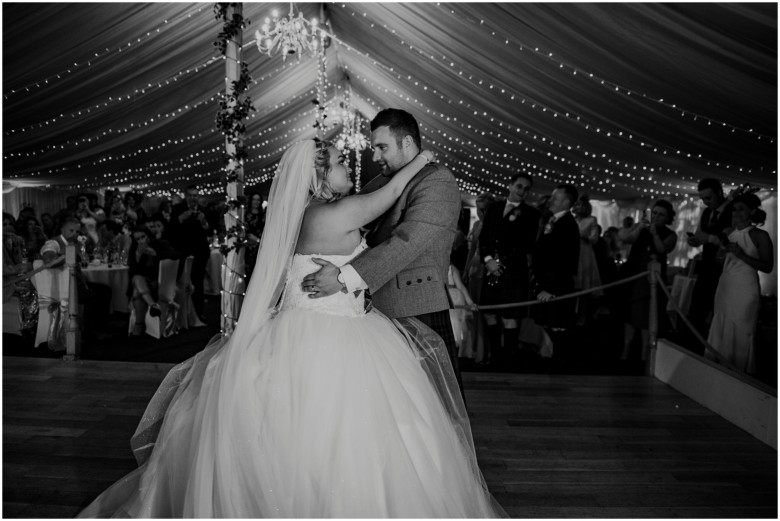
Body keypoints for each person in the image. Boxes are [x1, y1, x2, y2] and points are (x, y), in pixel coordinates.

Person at [77, 140, 503, 518]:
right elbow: (390, 193)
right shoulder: (339, 211)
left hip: (298, 329)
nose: (347, 170)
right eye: (338, 162)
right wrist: (421, 159)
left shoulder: (301, 215)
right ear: (319, 177)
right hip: (338, 334)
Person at [302, 108, 465, 395]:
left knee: (436, 403)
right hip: (371, 315)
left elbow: (408, 242)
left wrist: (342, 277)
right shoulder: (379, 183)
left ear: (407, 143)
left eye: (382, 147)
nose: (375, 156)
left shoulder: (437, 180)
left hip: (416, 307)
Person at [479, 173, 541, 369]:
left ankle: (509, 361)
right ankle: (495, 357)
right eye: (519, 186)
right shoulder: (494, 208)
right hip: (490, 269)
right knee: (489, 314)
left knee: (510, 317)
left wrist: (500, 263)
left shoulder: (531, 214)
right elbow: (484, 238)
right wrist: (488, 260)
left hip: (513, 272)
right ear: (510, 185)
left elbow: (526, 244)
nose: (522, 191)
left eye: (526, 189)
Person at [706, 193, 773, 373]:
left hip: (745, 287)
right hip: (726, 285)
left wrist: (741, 254)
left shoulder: (760, 235)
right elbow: (720, 262)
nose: (736, 213)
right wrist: (720, 255)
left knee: (741, 327)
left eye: (741, 209)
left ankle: (738, 371)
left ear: (752, 211)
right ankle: (717, 367)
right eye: (734, 209)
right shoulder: (728, 232)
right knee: (722, 323)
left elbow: (768, 267)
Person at [619, 200, 678, 362]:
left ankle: (645, 354)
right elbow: (626, 238)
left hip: (651, 277)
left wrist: (655, 234)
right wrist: (639, 226)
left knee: (646, 315)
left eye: (661, 215)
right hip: (633, 272)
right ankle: (625, 350)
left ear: (668, 218)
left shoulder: (670, 234)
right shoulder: (641, 227)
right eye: (655, 213)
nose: (657, 217)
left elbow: (662, 249)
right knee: (628, 315)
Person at [530, 184, 580, 366]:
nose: (551, 200)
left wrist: (551, 289)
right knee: (550, 324)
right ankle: (554, 359)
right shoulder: (555, 221)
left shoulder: (568, 225)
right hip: (546, 281)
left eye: (555, 198)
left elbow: (565, 260)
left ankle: (560, 364)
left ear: (566, 202)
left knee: (558, 326)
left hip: (556, 285)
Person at [685, 178, 733, 348]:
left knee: (719, 312)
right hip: (706, 267)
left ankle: (717, 349)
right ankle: (694, 348)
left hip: (725, 269)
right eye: (703, 198)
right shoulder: (706, 213)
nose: (706, 202)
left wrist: (710, 238)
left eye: (709, 197)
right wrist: (695, 241)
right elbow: (701, 235)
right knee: (696, 309)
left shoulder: (733, 210)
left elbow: (733, 239)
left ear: (720, 193)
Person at [127, 226, 180, 336]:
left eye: (143, 237)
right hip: (142, 283)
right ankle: (153, 306)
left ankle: (138, 325)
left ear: (148, 235)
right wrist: (138, 256)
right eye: (137, 239)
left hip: (159, 284)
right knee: (137, 279)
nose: (141, 240)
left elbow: (175, 255)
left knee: (137, 292)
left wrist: (156, 254)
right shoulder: (134, 249)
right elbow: (132, 272)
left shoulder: (160, 244)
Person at [169, 185, 211, 321]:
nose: (193, 198)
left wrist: (203, 221)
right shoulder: (177, 210)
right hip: (183, 251)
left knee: (198, 283)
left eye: (195, 195)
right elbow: (170, 230)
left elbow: (210, 231)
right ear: (186, 196)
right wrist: (181, 218)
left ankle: (198, 313)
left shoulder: (204, 210)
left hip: (200, 252)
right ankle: (181, 315)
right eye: (191, 195)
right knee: (182, 282)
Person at [571, 195, 603, 324]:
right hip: (572, 253)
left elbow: (594, 239)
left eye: (581, 205)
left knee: (584, 287)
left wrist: (583, 237)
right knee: (573, 285)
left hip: (585, 254)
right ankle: (571, 313)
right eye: (577, 205)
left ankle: (582, 314)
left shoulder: (591, 220)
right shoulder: (571, 219)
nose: (579, 207)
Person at [244, 191, 265, 281]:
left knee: (258, 274)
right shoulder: (245, 215)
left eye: (258, 200)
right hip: (248, 248)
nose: (256, 202)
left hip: (261, 247)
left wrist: (257, 240)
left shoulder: (264, 215)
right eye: (254, 199)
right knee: (248, 274)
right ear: (251, 201)